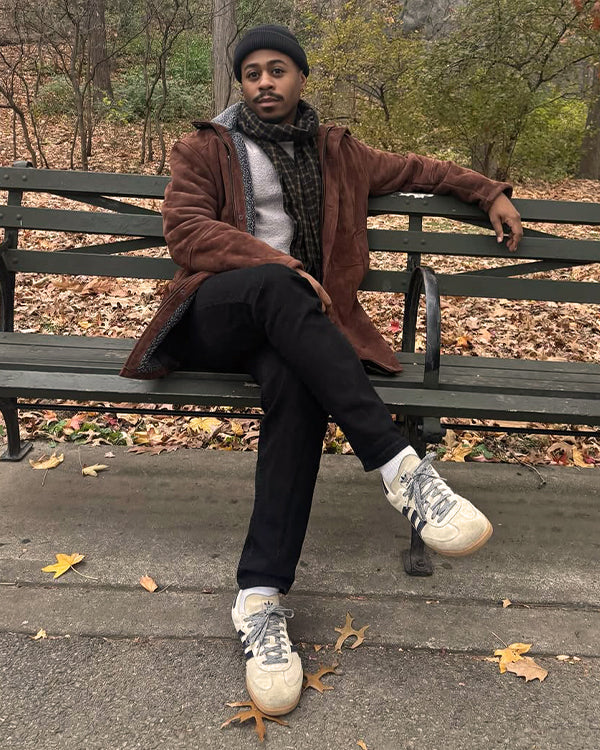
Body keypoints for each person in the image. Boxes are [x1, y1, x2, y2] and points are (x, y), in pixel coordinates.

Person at [121, 25, 523, 717]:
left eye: (277, 69)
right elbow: (187, 231)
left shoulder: (339, 152)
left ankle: (259, 598)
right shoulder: (205, 148)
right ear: (241, 84)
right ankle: (400, 468)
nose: (264, 82)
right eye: (252, 73)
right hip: (218, 313)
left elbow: (421, 171)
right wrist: (282, 266)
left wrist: (489, 192)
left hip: (298, 333)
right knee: (280, 287)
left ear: (301, 77)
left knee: (297, 384)